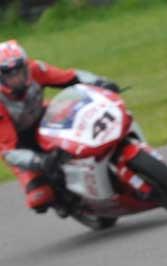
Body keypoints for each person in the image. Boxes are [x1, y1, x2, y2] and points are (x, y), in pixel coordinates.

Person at [0, 40, 119, 213]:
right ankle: (64, 201)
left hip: (43, 118)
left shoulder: (36, 69)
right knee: (39, 198)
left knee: (82, 125)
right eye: (10, 74)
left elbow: (71, 77)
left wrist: (100, 82)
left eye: (19, 70)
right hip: (20, 142)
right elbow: (8, 151)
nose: (17, 77)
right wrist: (39, 161)